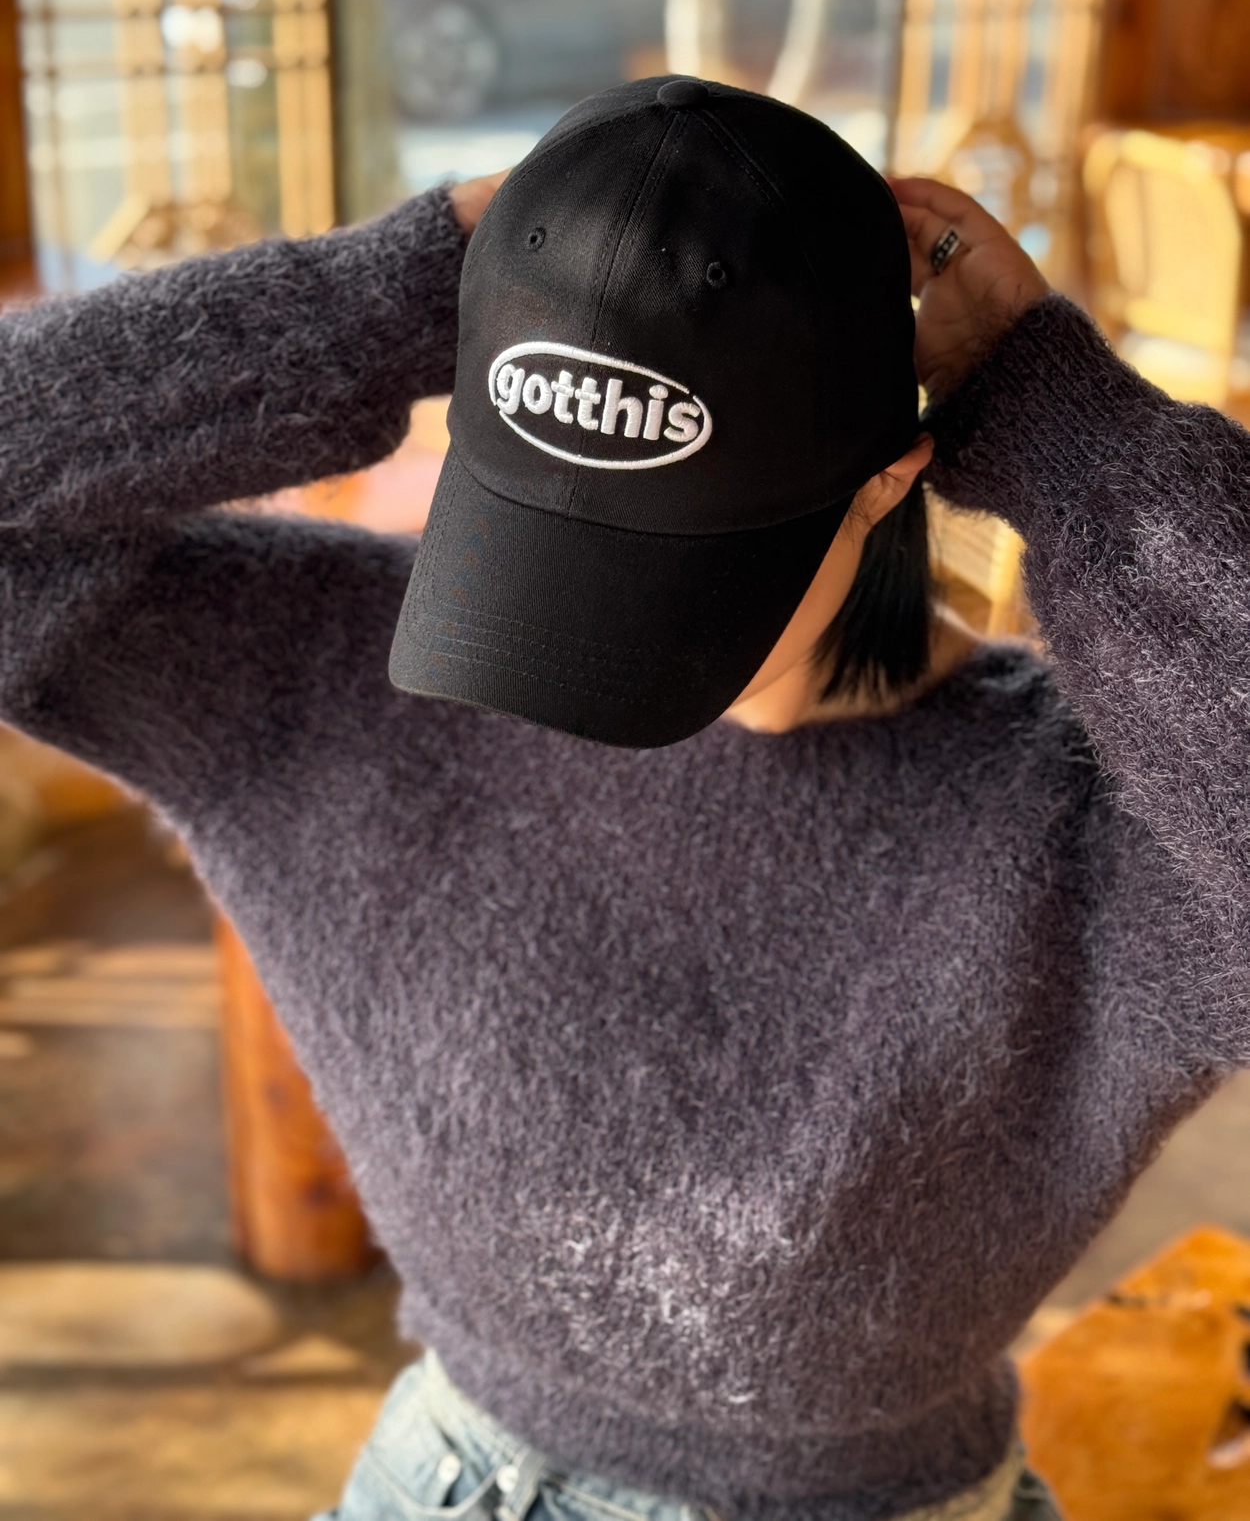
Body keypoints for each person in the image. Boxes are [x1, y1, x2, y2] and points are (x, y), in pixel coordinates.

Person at [0, 78, 1246, 1521]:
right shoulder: (320, 679)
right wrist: (394, 291)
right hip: (439, 1477)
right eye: (545, 524)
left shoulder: (1086, 833)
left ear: (882, 481)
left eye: (678, 563)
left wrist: (1058, 421)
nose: (583, 650)